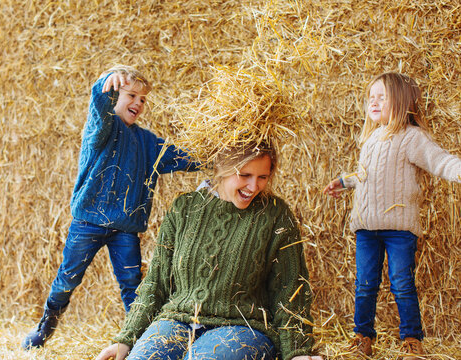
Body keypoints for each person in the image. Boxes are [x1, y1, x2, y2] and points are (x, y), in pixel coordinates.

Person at [22, 65, 200, 350]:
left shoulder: (148, 142)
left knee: (132, 284)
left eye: (143, 99)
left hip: (125, 228)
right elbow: (99, 106)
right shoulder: (103, 128)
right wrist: (106, 83)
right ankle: (46, 326)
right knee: (68, 277)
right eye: (131, 95)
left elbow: (182, 157)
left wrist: (219, 151)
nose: (138, 104)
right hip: (88, 221)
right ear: (115, 95)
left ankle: (140, 338)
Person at [96, 143, 323, 360]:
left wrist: (297, 350)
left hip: (243, 327)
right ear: (222, 167)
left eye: (262, 177)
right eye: (244, 175)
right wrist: (126, 339)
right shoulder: (184, 208)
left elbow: (291, 290)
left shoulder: (276, 215)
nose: (254, 186)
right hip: (176, 320)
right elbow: (156, 284)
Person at [323, 72, 461, 359]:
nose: (373, 102)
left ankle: (412, 339)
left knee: (401, 283)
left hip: (399, 229)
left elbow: (440, 161)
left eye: (381, 97)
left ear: (400, 101)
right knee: (365, 284)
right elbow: (365, 175)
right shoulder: (371, 138)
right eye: (370, 97)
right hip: (367, 228)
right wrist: (343, 181)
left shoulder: (412, 138)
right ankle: (362, 337)